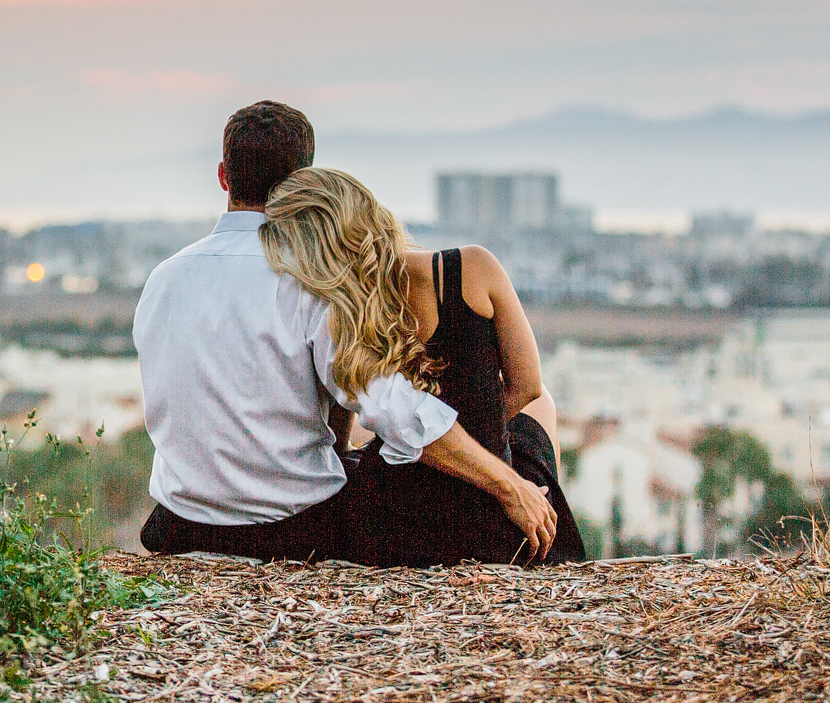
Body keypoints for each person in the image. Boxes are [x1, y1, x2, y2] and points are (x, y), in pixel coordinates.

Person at [135, 101, 560, 563]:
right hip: (291, 529)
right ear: (304, 182)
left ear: (223, 176)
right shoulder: (308, 280)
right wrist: (510, 485)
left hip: (181, 520)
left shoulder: (163, 279)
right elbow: (395, 410)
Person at [268, 168, 585, 565]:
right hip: (482, 516)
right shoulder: (472, 267)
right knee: (543, 406)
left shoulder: (335, 310)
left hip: (390, 524)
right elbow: (528, 386)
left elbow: (343, 425)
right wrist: (482, 434)